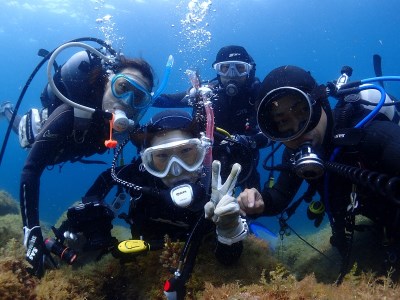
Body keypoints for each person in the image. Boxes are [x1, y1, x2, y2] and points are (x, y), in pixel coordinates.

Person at [2, 42, 159, 278]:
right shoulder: (69, 113)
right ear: (108, 81)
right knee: (26, 136)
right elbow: (31, 170)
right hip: (54, 139)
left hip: (76, 148)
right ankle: (7, 110)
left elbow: (154, 153)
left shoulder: (130, 126)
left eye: (138, 97)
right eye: (122, 87)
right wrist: (32, 230)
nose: (126, 101)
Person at [55, 110, 247, 297]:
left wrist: (229, 228)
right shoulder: (139, 176)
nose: (176, 168)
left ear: (202, 153)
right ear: (147, 159)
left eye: (187, 151)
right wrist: (91, 216)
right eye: (162, 156)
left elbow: (228, 261)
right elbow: (106, 178)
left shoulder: (214, 185)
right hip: (144, 253)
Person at [238, 65, 400, 278]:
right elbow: (278, 197)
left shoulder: (368, 133)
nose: (298, 130)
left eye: (303, 111)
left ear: (321, 104)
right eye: (282, 122)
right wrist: (259, 202)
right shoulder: (295, 153)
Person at [154, 45, 270, 190]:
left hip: (246, 162)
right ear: (217, 71)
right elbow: (165, 100)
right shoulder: (205, 94)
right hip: (206, 165)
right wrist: (139, 97)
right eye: (224, 68)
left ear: (249, 71)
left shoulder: (258, 95)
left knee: (253, 207)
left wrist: (250, 141)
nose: (231, 74)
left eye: (239, 68)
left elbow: (275, 133)